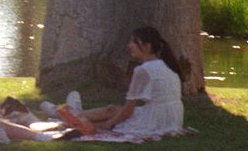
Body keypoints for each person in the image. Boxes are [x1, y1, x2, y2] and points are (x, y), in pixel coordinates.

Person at [57, 26, 185, 137]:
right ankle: (72, 113)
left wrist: (108, 124)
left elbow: (128, 109)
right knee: (111, 109)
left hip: (154, 121)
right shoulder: (166, 66)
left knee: (107, 117)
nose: (130, 45)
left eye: (134, 42)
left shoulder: (143, 70)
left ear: (147, 46)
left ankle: (68, 115)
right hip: (171, 119)